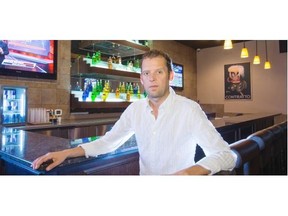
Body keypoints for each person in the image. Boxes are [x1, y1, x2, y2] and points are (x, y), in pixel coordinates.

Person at [32, 49, 237, 175]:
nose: (152, 78)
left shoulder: (189, 109)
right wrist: (66, 153)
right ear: (141, 79)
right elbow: (107, 142)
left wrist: (188, 173)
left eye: (159, 72)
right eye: (147, 73)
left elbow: (225, 155)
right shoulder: (135, 109)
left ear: (171, 76)